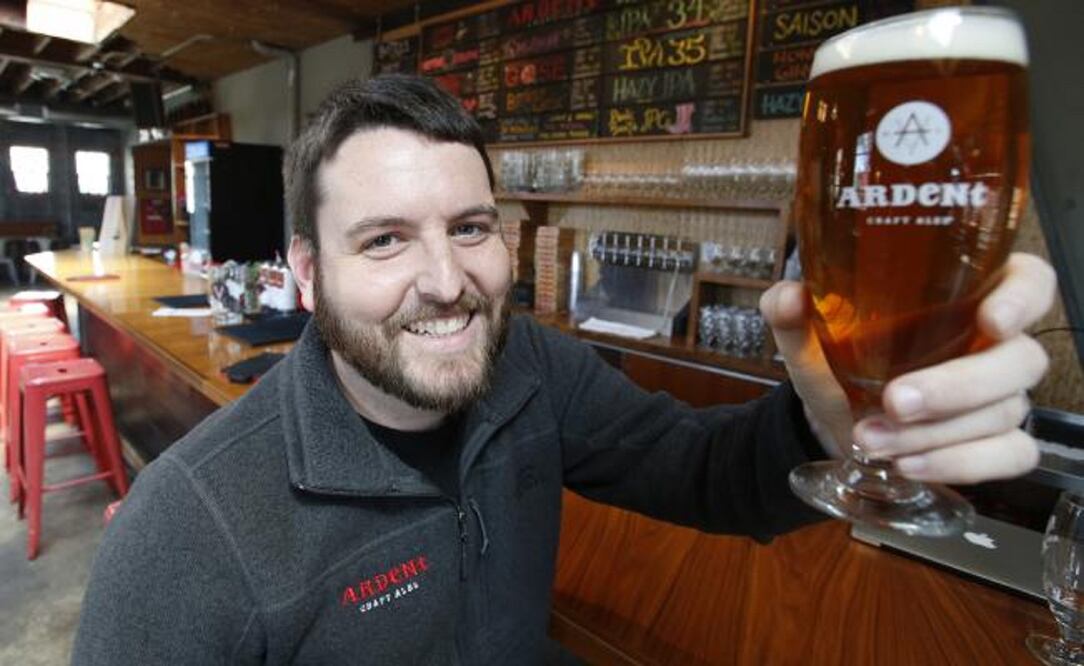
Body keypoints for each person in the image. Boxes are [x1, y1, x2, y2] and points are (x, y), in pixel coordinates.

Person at [71, 75, 1055, 665]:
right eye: (384, 241)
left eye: (469, 228)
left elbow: (703, 471)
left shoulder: (529, 366)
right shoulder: (186, 537)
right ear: (306, 270)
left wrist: (827, 427)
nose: (448, 282)